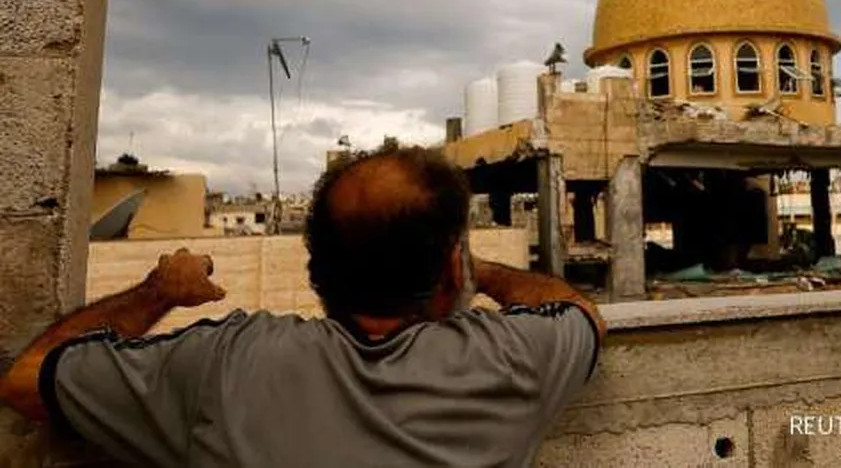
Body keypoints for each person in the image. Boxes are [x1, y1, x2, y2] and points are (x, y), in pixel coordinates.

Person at [0, 144, 605, 467]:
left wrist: (156, 293)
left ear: (317, 271)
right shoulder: (514, 361)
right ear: (451, 269)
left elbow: (27, 379)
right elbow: (580, 312)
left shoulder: (226, 363)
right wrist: (479, 269)